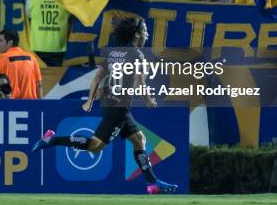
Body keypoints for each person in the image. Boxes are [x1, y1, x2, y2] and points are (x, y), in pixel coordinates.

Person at [32, 17, 178, 194]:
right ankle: (52, 140)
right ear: (137, 34)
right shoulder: (137, 55)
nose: (147, 33)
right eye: (145, 29)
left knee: (139, 139)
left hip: (111, 103)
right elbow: (140, 85)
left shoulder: (113, 53)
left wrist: (92, 99)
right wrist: (149, 101)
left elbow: (97, 78)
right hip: (119, 108)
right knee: (95, 145)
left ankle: (152, 183)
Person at [0, 29, 42, 99]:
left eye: (1, 41)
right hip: (31, 105)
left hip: (11, 106)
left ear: (10, 43)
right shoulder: (32, 58)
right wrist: (42, 105)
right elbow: (39, 84)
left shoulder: (3, 59)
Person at [26, 0, 71, 66]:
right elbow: (70, 17)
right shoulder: (65, 0)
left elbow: (28, 16)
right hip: (57, 48)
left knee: (37, 77)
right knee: (56, 77)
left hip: (37, 47)